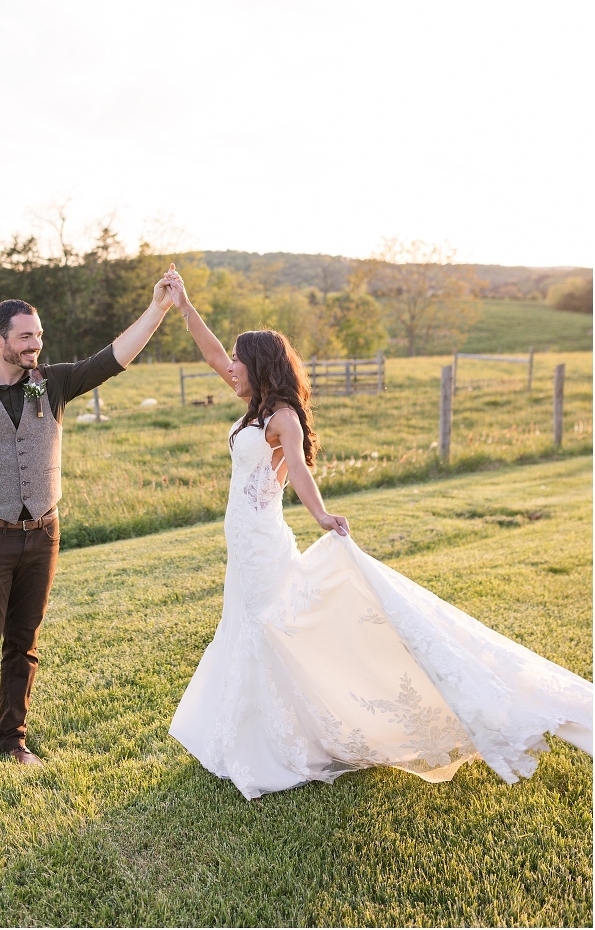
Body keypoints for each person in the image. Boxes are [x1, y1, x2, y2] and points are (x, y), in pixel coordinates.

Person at [163, 267, 593, 801]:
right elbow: (210, 354)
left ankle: (285, 741)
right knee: (251, 628)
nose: (229, 367)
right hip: (243, 544)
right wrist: (183, 306)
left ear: (259, 365)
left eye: (238, 360)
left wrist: (321, 516)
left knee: (266, 627)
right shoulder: (253, 410)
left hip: (263, 543)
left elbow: (300, 471)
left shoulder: (282, 418)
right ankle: (248, 734)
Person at [0, 277, 175, 779]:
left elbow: (112, 359)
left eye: (38, 335)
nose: (35, 345)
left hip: (44, 534)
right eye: (25, 337)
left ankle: (11, 738)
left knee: (24, 642)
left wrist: (157, 308)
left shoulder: (54, 382)